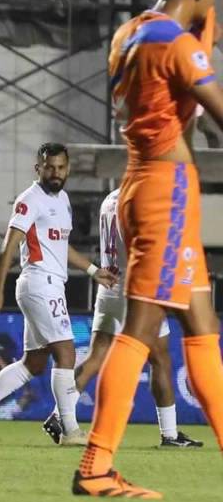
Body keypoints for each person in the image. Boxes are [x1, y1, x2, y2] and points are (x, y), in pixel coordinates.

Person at [73, 0, 223, 499]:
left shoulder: (131, 32)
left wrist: (203, 25)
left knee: (202, 325)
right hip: (167, 193)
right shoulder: (176, 45)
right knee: (140, 329)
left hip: (144, 180)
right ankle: (95, 466)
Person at [0, 143, 116, 447]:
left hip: (50, 285)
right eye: (49, 167)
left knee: (34, 363)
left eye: (61, 167)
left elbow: (60, 246)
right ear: (38, 168)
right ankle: (70, 430)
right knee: (66, 353)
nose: (55, 173)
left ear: (68, 168)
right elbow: (8, 245)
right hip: (39, 283)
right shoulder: (29, 200)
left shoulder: (63, 200)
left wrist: (93, 270)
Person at [42, 188, 203, 448]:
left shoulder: (110, 198)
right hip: (137, 288)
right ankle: (170, 434)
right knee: (160, 359)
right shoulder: (144, 198)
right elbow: (150, 248)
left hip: (110, 285)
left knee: (96, 357)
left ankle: (60, 414)